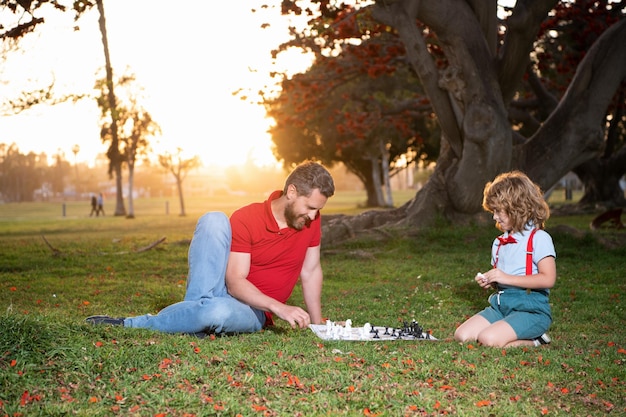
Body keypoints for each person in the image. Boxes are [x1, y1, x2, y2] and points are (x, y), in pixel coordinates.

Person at [86, 161, 335, 335]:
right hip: (224, 292)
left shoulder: (310, 222)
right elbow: (236, 283)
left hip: (253, 311)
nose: (314, 216)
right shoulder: (247, 218)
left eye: (319, 209)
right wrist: (280, 307)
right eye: (310, 207)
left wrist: (317, 323)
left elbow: (311, 271)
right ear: (292, 192)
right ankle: (135, 324)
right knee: (214, 219)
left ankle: (195, 319)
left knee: (216, 310)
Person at [454, 171, 556, 348]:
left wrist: (504, 277)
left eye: (498, 211)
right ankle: (504, 329)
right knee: (462, 336)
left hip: (530, 311)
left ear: (518, 208)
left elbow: (548, 279)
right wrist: (491, 281)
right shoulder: (499, 243)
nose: (494, 217)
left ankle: (536, 340)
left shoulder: (539, 238)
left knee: (488, 340)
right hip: (501, 308)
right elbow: (502, 279)